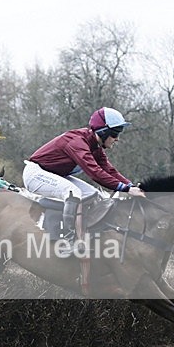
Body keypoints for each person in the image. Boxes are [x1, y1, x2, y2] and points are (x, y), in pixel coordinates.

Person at [23, 107, 145, 250]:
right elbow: (95, 173)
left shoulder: (95, 147)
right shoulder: (77, 142)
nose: (117, 138)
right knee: (73, 192)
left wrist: (131, 186)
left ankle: (87, 233)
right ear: (103, 131)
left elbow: (109, 170)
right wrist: (126, 189)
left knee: (93, 195)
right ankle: (68, 241)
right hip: (35, 174)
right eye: (115, 134)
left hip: (53, 174)